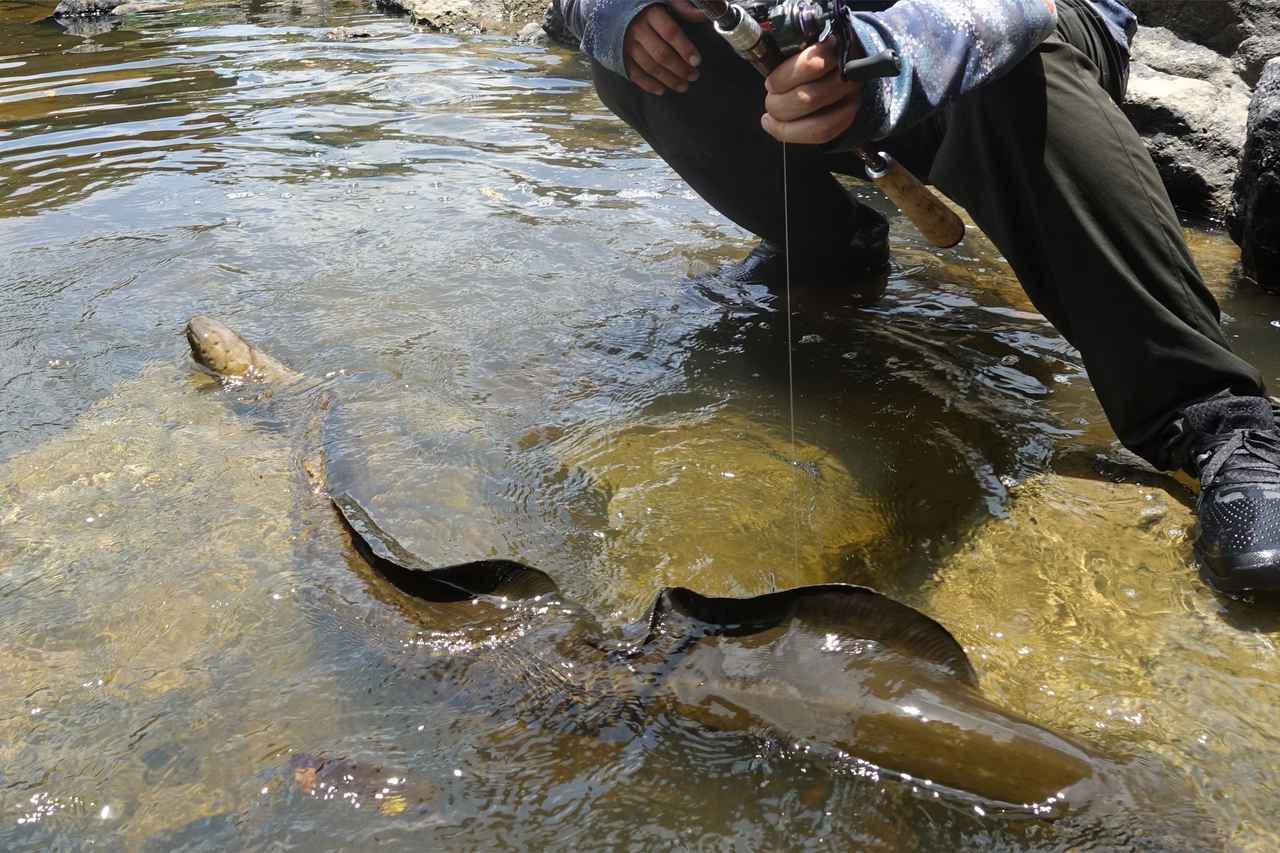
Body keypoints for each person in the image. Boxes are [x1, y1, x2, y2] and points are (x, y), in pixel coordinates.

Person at [556, 0, 1280, 595]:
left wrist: (882, 64)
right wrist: (622, 14)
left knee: (1015, 68)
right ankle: (829, 252)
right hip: (808, 64)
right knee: (642, 47)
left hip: (1009, 31)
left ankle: (1215, 416)